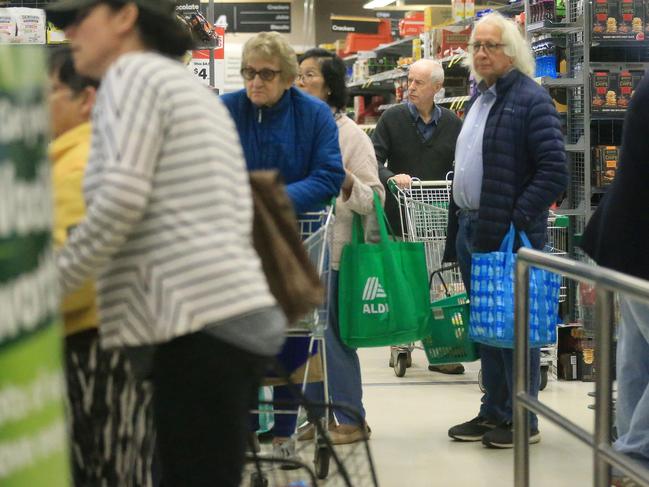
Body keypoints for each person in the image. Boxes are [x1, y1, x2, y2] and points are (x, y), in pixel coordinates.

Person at [46, 2, 285, 486]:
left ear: (123, 17)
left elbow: (118, 203)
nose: (66, 28)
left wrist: (39, 291)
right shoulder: (174, 82)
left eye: (77, 15)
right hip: (221, 320)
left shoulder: (132, 76)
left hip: (199, 327)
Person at [443, 12, 568, 448]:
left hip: (510, 235)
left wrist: (516, 218)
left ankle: (523, 419)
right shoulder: (482, 98)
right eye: (476, 45)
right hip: (472, 227)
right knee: (489, 325)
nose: (480, 53)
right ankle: (494, 410)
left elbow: (555, 172)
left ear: (511, 52)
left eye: (490, 45)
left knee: (515, 329)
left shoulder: (530, 99)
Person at [221, 32, 345, 457]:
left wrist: (270, 201)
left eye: (267, 74)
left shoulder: (313, 116)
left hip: (299, 239)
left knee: (295, 329)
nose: (256, 82)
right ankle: (252, 430)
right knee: (243, 333)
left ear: (289, 77)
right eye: (249, 73)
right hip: (237, 243)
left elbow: (329, 176)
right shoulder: (225, 110)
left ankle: (284, 433)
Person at [48, 45, 156, 487]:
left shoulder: (78, 165)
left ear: (85, 100)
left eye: (48, 92)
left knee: (105, 468)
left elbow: (79, 276)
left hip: (96, 350)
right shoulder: (86, 155)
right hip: (116, 343)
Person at [296, 48, 384, 444]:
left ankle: (350, 418)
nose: (300, 81)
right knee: (306, 337)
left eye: (310, 75)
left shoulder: (350, 135)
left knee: (333, 336)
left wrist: (344, 179)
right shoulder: (296, 128)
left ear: (330, 86)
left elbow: (374, 200)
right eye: (298, 74)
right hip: (300, 250)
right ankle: (317, 418)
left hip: (336, 251)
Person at [372, 58, 465, 375]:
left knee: (443, 286)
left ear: (437, 88)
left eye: (418, 82)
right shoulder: (392, 118)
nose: (410, 87)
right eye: (409, 81)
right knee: (406, 284)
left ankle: (444, 348)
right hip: (401, 216)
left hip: (439, 219)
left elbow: (464, 162)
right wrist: (390, 177)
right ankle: (402, 344)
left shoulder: (453, 123)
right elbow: (374, 159)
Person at [581, 73, 649, 485]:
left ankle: (627, 458)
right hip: (640, 242)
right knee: (636, 355)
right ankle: (632, 457)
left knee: (636, 357)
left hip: (624, 237)